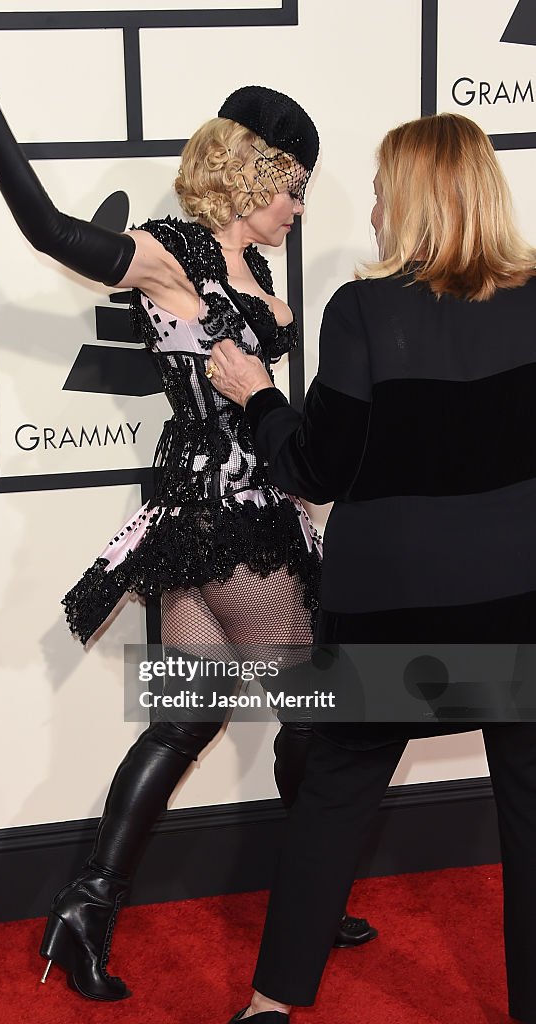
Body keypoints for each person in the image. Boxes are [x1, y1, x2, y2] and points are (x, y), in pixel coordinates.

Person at [0, 18, 377, 1005]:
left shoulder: (261, 273)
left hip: (197, 517)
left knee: (183, 722)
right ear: (253, 175)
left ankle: (83, 911)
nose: (302, 205)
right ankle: (312, 891)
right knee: (313, 711)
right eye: (294, 184)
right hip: (234, 517)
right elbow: (52, 230)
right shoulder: (173, 255)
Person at [209, 112, 536, 1022]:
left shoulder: (364, 309)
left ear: (420, 199)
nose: (378, 210)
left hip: (397, 614)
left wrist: (258, 396)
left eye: (388, 190)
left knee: (336, 796)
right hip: (523, 608)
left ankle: (271, 1006)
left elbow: (315, 469)